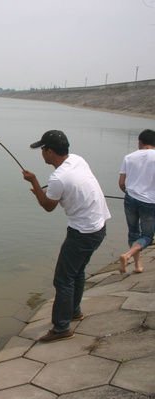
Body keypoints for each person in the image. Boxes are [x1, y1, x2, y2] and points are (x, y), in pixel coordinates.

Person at [22, 130, 111, 342]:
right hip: (99, 227)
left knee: (62, 280)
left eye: (43, 149)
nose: (42, 153)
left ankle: (61, 329)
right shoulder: (77, 160)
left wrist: (34, 182)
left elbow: (48, 206)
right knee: (77, 272)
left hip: (83, 233)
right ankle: (74, 312)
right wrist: (45, 189)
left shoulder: (58, 178)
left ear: (50, 151)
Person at [118, 129, 155, 274]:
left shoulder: (129, 157)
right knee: (147, 236)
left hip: (130, 199)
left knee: (133, 232)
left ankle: (137, 264)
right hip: (150, 202)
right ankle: (128, 256)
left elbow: (121, 183)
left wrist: (130, 193)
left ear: (140, 142)